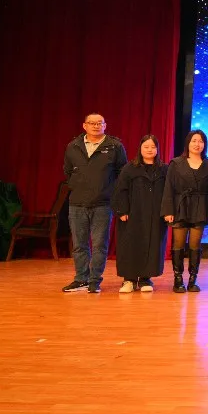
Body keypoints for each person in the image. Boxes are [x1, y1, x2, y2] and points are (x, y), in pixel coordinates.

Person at [62, 112, 128, 294]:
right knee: (79, 245)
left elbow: (122, 173)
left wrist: (109, 191)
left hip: (103, 204)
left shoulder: (115, 146)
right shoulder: (73, 146)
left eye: (100, 123)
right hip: (77, 203)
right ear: (84, 126)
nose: (96, 126)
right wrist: (77, 185)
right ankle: (80, 279)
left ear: (105, 125)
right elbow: (67, 171)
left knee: (99, 245)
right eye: (92, 123)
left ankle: (94, 280)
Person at [160, 130, 208, 293]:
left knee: (195, 244)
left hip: (200, 207)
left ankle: (193, 279)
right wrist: (168, 210)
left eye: (200, 141)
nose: (197, 144)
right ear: (188, 143)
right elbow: (169, 188)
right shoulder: (176, 163)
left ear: (204, 145)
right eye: (194, 141)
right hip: (180, 206)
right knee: (178, 244)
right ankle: (178, 279)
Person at [111, 135, 168, 293]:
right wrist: (122, 210)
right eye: (146, 147)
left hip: (155, 215)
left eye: (153, 147)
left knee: (152, 245)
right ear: (140, 149)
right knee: (130, 245)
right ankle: (128, 279)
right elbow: (120, 190)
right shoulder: (129, 168)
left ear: (157, 149)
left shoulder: (164, 169)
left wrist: (167, 211)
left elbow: (169, 192)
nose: (149, 150)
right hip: (132, 214)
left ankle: (145, 279)